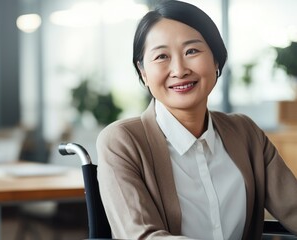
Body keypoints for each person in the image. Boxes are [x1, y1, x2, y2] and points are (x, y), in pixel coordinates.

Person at [96, 1, 297, 240]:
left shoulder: (245, 133)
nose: (179, 70)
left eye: (191, 51)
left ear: (216, 60)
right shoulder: (122, 141)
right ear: (143, 73)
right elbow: (141, 235)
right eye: (161, 56)